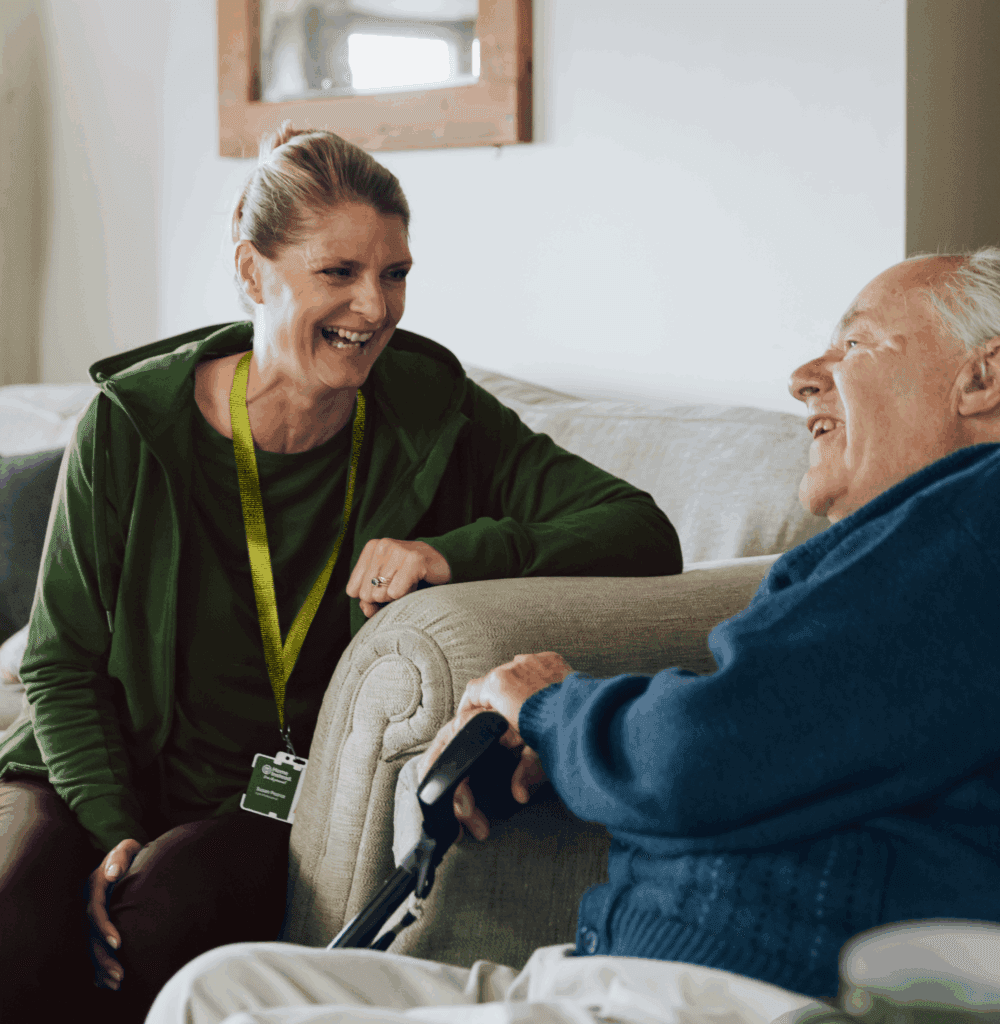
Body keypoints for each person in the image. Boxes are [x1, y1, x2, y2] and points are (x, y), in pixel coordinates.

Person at [147, 249, 1000, 1024]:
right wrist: (561, 744)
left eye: (856, 345)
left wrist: (549, 708)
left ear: (983, 377)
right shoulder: (888, 555)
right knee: (215, 988)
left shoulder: (973, 520)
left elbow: (705, 750)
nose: (806, 378)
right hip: (614, 969)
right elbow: (778, 733)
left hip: (730, 990)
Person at [0, 127, 682, 1023]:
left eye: (395, 273)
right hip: (85, 773)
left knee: (150, 927)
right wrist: (111, 832)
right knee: (14, 921)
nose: (376, 306)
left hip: (263, 803)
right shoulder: (131, 425)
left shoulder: (434, 412)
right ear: (252, 273)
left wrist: (454, 554)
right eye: (339, 272)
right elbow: (61, 664)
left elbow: (640, 530)